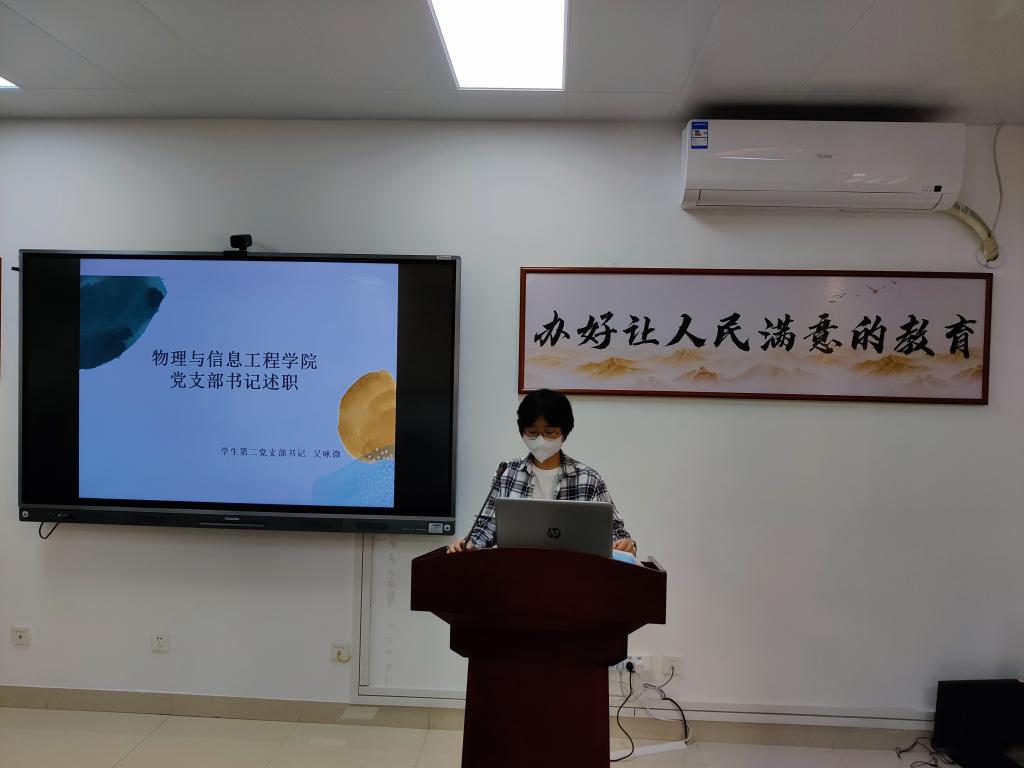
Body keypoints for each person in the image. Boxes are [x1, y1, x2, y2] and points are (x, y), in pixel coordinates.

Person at [448, 389, 636, 554]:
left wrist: (625, 543)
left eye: (549, 432)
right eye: (532, 432)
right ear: (522, 431)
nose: (540, 439)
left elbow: (614, 531)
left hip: (573, 571)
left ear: (564, 432)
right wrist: (470, 542)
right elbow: (486, 525)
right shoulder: (507, 473)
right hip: (516, 568)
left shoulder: (589, 479)